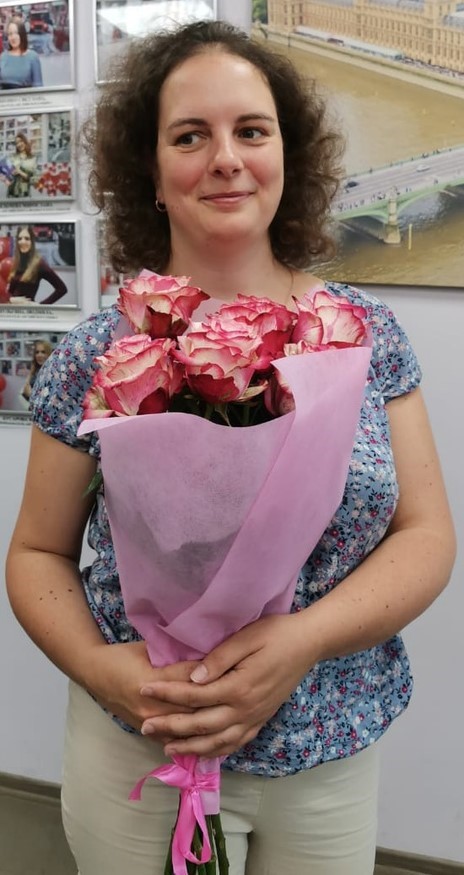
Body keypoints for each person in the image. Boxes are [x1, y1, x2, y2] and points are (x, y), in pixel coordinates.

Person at [5, 20, 456, 875]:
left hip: (326, 745)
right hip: (143, 743)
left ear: (288, 153)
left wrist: (303, 640)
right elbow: (35, 552)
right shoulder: (101, 353)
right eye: (189, 136)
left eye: (251, 130)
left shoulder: (363, 334)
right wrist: (101, 668)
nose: (225, 159)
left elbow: (427, 535)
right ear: (150, 171)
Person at [6, 226, 67, 305]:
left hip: (27, 311)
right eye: (20, 239)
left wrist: (40, 306)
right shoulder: (16, 262)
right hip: (11, 310)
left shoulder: (39, 264)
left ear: (32, 241)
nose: (22, 242)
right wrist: (11, 299)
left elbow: (62, 289)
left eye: (27, 238)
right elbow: (10, 292)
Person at [0, 17, 43, 89]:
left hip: (26, 95)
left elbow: (38, 87)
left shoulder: (33, 57)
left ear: (22, 34)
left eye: (16, 33)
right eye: (10, 34)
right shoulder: (3, 57)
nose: (13, 37)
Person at [4, 132, 37, 198]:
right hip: (11, 194)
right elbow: (7, 176)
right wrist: (9, 173)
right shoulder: (12, 157)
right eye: (16, 143)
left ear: (25, 141)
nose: (19, 145)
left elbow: (35, 180)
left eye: (20, 141)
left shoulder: (32, 158)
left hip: (25, 194)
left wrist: (20, 172)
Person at [20, 339, 53, 405]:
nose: (39, 355)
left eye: (43, 352)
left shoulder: (52, 373)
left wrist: (30, 394)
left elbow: (48, 403)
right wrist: (31, 373)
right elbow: (25, 390)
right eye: (37, 352)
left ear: (49, 354)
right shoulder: (36, 370)